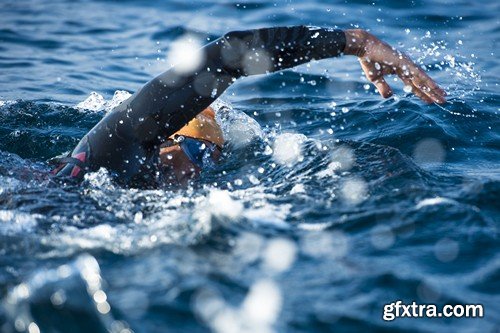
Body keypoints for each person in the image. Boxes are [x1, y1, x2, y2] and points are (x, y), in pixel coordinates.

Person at [51, 26, 446, 186]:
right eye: (196, 150)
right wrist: (354, 41)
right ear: (166, 138)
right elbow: (229, 55)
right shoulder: (121, 140)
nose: (198, 169)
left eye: (211, 159)